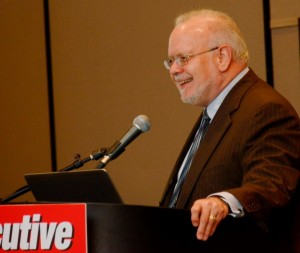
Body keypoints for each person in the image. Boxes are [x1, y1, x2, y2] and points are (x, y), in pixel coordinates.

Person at [159, 9, 300, 253]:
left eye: (183, 58)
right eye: (171, 61)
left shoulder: (265, 109)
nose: (174, 70)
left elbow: (273, 185)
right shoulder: (216, 113)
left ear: (222, 56)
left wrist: (224, 201)